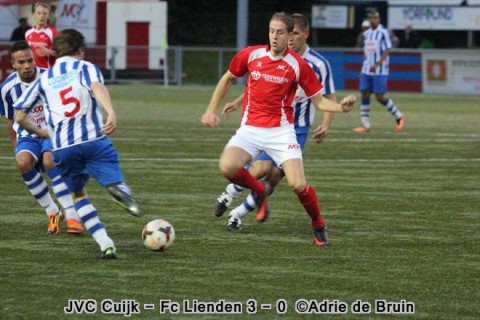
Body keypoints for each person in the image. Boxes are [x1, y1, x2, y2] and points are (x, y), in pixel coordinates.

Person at [201, 12, 356, 246]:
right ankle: (259, 192)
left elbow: (319, 101)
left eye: (280, 32)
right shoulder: (251, 54)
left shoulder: (298, 66)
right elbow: (228, 78)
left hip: (281, 132)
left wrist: (341, 108)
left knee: (298, 184)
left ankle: (318, 224)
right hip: (250, 129)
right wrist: (211, 109)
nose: (275, 36)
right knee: (227, 166)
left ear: (289, 35)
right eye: (272, 31)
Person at [13, 29, 143, 259]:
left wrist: (43, 132)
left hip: (62, 147)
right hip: (93, 139)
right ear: (80, 50)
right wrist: (110, 111)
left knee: (79, 195)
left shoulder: (45, 78)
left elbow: (20, 115)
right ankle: (119, 189)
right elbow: (97, 87)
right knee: (113, 176)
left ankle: (106, 244)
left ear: (58, 51)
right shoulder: (85, 67)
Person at [0, 40, 82, 235]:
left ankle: (72, 215)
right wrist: (16, 146)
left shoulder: (50, 78)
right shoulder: (6, 89)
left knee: (49, 160)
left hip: (51, 131)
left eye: (30, 60)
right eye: (21, 62)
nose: (27, 66)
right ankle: (52, 211)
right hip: (27, 136)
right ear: (13, 64)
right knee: (22, 163)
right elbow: (10, 120)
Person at [353, 10, 405, 133]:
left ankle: (398, 115)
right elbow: (367, 53)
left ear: (379, 19)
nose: (373, 20)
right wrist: (363, 68)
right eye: (371, 18)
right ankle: (365, 125)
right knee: (364, 93)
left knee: (379, 96)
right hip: (367, 69)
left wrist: (377, 64)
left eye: (375, 18)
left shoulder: (383, 33)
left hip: (380, 70)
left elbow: (387, 50)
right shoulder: (367, 34)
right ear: (369, 19)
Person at [25, 2, 57, 68]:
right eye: (39, 13)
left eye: (44, 13)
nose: (42, 16)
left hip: (47, 72)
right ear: (34, 15)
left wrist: (49, 52)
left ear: (48, 16)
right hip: (32, 72)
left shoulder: (53, 32)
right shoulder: (28, 33)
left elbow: (62, 54)